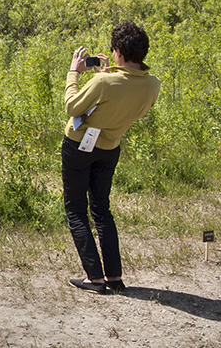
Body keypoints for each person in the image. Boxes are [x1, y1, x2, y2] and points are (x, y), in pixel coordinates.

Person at [62, 21, 160, 294]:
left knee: (76, 210)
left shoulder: (104, 81)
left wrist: (74, 73)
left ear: (117, 50)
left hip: (79, 146)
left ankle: (94, 277)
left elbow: (72, 106)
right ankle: (114, 277)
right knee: (102, 210)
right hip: (110, 148)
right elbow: (133, 108)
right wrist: (105, 77)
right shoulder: (152, 84)